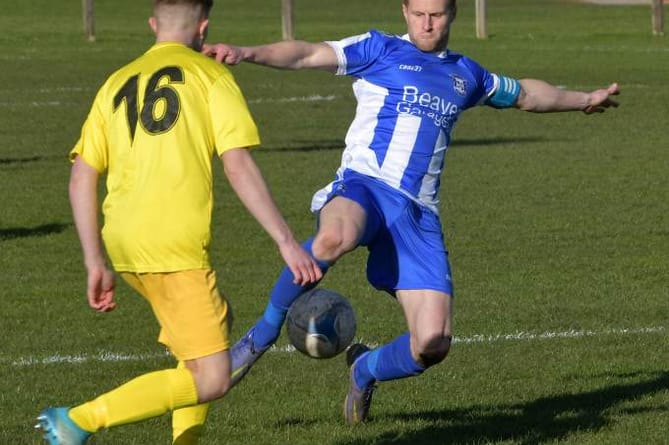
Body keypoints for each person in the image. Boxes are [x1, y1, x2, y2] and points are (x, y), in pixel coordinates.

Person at [204, 0, 620, 425]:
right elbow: (308, 53)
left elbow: (528, 94)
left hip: (417, 215)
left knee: (432, 343)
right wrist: (247, 52)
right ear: (404, 12)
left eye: (436, 14)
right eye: (418, 13)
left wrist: (584, 99)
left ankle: (364, 369)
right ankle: (261, 337)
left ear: (452, 14)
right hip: (363, 187)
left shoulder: (467, 75)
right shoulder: (378, 49)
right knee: (334, 237)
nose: (426, 23)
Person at [35, 1, 322, 444]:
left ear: (153, 25)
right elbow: (237, 165)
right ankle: (78, 421)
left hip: (124, 244)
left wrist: (95, 260)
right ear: (204, 27)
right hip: (174, 246)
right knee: (213, 376)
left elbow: (81, 175)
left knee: (204, 339)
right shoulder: (211, 76)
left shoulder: (116, 82)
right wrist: (286, 240)